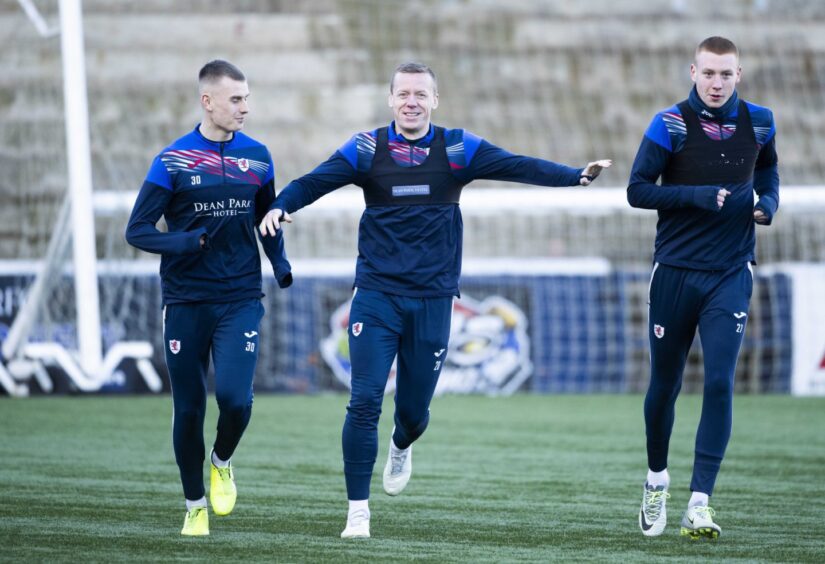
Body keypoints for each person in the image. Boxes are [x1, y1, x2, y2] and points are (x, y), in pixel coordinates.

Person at [259, 62, 611, 539]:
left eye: (420, 94)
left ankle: (402, 444)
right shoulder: (365, 149)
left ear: (435, 100)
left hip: (433, 300)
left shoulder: (459, 148)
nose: (411, 101)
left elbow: (517, 165)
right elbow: (311, 182)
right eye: (403, 93)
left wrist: (575, 176)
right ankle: (357, 512)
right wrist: (281, 205)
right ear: (390, 100)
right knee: (363, 402)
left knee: (413, 413)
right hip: (376, 297)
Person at [125, 59, 292, 536]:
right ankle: (194, 504)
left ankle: (222, 460)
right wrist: (184, 241)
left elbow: (268, 219)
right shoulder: (173, 160)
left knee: (236, 401)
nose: (245, 107)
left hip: (240, 296)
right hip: (185, 301)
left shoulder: (258, 157)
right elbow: (136, 230)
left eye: (246, 98)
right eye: (235, 99)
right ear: (208, 101)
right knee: (190, 408)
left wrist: (279, 264)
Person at [628, 37, 779, 539]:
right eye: (708, 73)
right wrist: (696, 197)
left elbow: (770, 169)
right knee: (665, 386)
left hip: (731, 273)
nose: (716, 83)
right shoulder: (668, 123)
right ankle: (655, 482)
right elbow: (637, 189)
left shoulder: (761, 120)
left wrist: (769, 202)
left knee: (719, 382)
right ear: (693, 71)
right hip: (673, 272)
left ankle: (700, 502)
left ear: (740, 74)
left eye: (726, 74)